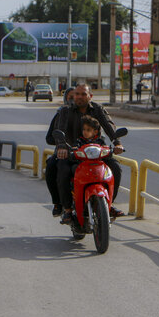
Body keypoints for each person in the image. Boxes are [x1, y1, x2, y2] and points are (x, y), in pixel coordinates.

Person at [53, 83, 125, 224]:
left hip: (97, 152)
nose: (79, 97)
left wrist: (117, 143)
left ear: (90, 96)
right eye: (77, 94)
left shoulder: (98, 109)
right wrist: (62, 147)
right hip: (72, 153)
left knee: (115, 168)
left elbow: (109, 125)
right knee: (62, 170)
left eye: (83, 94)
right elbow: (59, 130)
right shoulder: (65, 111)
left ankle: (108, 205)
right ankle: (67, 210)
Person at [60, 115, 107, 223]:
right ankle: (71, 203)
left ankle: (110, 205)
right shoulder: (80, 141)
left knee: (111, 170)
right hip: (83, 168)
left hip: (97, 168)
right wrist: (73, 150)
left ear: (95, 132)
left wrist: (112, 150)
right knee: (72, 170)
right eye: (84, 130)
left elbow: (105, 149)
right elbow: (74, 149)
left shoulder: (100, 142)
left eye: (88, 130)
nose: (85, 132)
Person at [45, 87, 75, 217]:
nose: (75, 99)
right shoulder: (60, 114)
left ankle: (108, 204)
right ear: (65, 99)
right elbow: (49, 138)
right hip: (64, 153)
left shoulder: (89, 113)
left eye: (78, 96)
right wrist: (61, 144)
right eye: (71, 97)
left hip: (86, 152)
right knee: (51, 167)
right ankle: (58, 203)